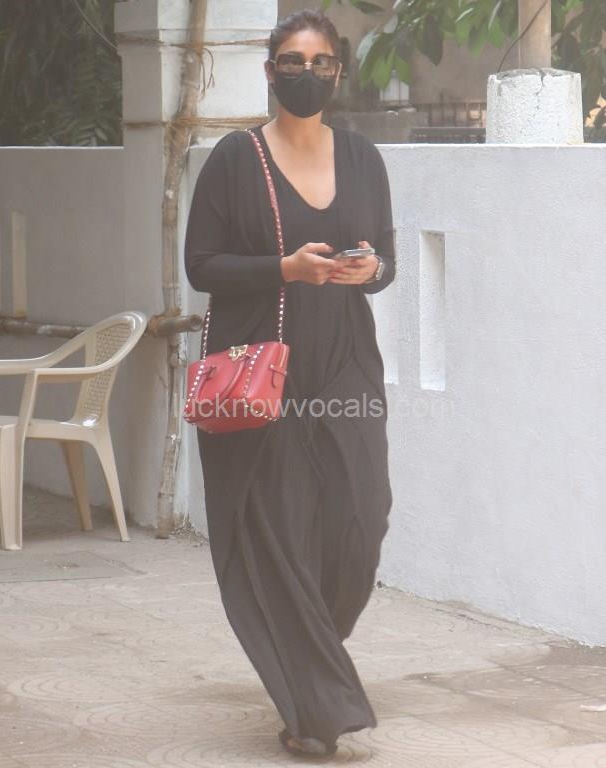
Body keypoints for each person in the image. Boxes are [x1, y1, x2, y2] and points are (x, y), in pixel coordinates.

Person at [183, 8, 396, 759]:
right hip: (263, 369)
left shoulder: (363, 157)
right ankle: (314, 707)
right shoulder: (234, 159)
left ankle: (305, 660)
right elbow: (201, 266)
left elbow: (386, 260)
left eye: (322, 61)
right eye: (294, 61)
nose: (309, 73)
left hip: (345, 362)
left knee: (361, 518)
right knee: (278, 529)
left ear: (339, 70)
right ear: (271, 71)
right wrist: (285, 268)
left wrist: (369, 270)